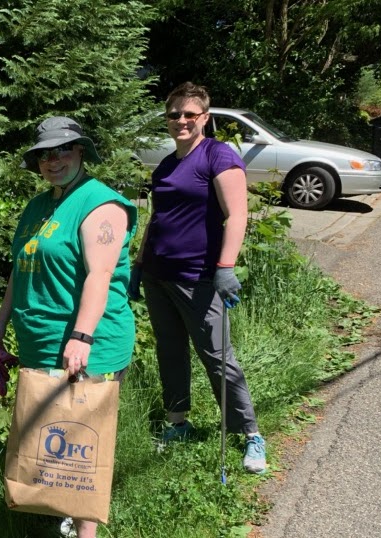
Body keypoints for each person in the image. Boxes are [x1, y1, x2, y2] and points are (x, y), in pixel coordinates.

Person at [0, 116, 138, 538]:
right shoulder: (38, 206)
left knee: (82, 440)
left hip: (89, 344)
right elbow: (20, 268)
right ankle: (63, 512)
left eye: (62, 150)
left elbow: (100, 275)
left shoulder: (101, 204)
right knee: (54, 431)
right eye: (44, 155)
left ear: (80, 152)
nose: (53, 161)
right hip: (40, 342)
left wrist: (81, 336)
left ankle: (85, 529)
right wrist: (1, 323)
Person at [128, 81, 267, 474]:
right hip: (159, 276)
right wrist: (139, 266)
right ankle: (178, 423)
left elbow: (237, 215)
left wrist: (225, 268)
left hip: (199, 277)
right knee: (170, 352)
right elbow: (157, 219)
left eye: (190, 114)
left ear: (205, 117)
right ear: (167, 120)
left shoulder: (217, 156)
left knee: (218, 359)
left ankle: (250, 434)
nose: (182, 121)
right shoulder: (167, 165)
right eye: (175, 114)